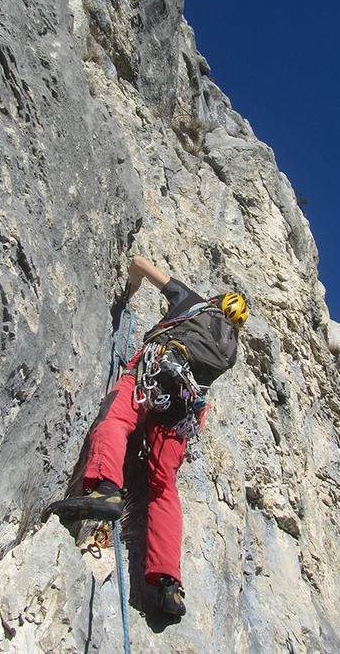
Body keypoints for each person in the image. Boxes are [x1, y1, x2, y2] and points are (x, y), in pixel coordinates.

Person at [42, 256, 248, 616]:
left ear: (214, 303)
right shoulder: (230, 351)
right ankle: (168, 583)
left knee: (115, 419)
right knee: (163, 485)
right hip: (183, 411)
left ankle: (104, 490)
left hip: (152, 375)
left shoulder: (193, 302)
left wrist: (129, 290)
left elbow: (139, 263)